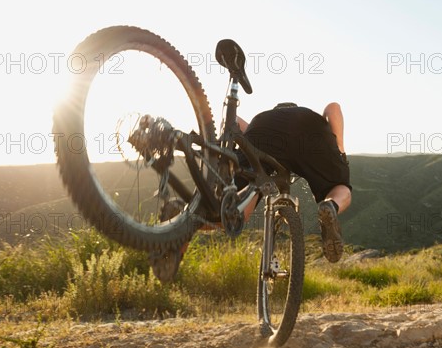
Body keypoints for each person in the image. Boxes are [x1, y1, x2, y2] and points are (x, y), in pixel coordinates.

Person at [148, 102, 352, 284]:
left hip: (261, 134)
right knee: (340, 186)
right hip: (310, 133)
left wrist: (226, 147)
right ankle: (331, 206)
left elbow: (234, 121)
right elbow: (333, 107)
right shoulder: (306, 115)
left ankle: (184, 223)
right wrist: (339, 147)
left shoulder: (265, 118)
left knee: (234, 213)